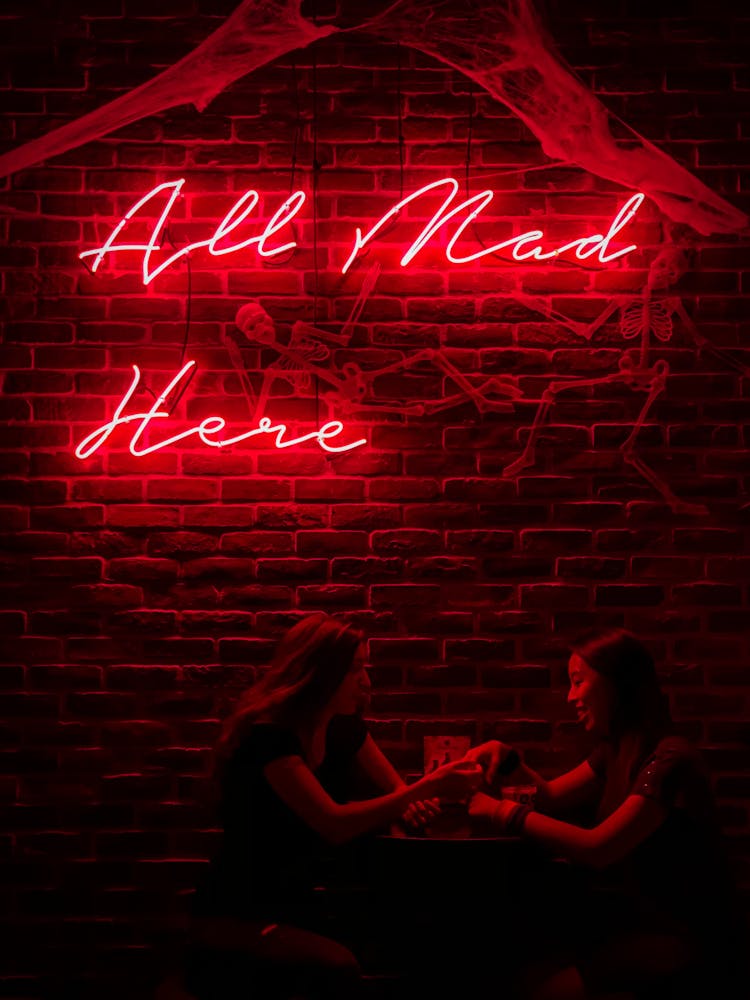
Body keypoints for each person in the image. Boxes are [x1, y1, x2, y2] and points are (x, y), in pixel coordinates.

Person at [183, 613, 482, 1000]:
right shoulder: (270, 738)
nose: (366, 681)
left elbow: (395, 788)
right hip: (241, 909)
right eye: (356, 668)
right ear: (322, 672)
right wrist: (427, 788)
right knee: (339, 967)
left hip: (302, 899)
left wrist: (411, 803)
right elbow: (332, 823)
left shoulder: (344, 727)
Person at [466, 628, 747, 1000]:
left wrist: (501, 811)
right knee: (516, 967)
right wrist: (508, 760)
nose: (570, 697)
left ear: (616, 684)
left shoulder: (669, 760)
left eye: (578, 682)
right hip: (635, 927)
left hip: (679, 940)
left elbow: (599, 847)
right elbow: (549, 797)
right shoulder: (614, 750)